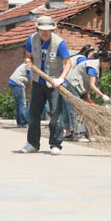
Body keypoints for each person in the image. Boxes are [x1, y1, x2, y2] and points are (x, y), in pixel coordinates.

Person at [19, 16, 71, 155]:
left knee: (55, 114)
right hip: (38, 81)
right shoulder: (31, 39)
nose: (45, 33)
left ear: (52, 29)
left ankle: (55, 144)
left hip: (54, 83)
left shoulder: (59, 43)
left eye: (48, 30)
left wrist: (61, 79)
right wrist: (29, 63)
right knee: (33, 114)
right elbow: (28, 56)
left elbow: (68, 62)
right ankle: (32, 144)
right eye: (42, 30)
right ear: (38, 29)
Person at [66, 52, 111, 142]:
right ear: (104, 61)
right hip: (74, 85)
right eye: (108, 63)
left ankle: (86, 133)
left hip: (81, 87)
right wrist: (103, 96)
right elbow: (92, 85)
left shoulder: (97, 66)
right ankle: (79, 135)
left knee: (86, 110)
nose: (108, 66)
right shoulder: (93, 67)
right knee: (77, 110)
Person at [62, 45, 95, 140]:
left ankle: (68, 133)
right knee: (75, 109)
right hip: (70, 84)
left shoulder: (74, 58)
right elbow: (83, 75)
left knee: (67, 109)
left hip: (63, 83)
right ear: (88, 53)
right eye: (92, 55)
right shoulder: (83, 59)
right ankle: (79, 134)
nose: (93, 58)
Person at [8, 63, 31, 128]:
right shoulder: (30, 65)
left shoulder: (26, 64)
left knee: (18, 104)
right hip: (17, 83)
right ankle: (23, 123)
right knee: (22, 103)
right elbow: (31, 78)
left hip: (12, 81)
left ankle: (19, 123)